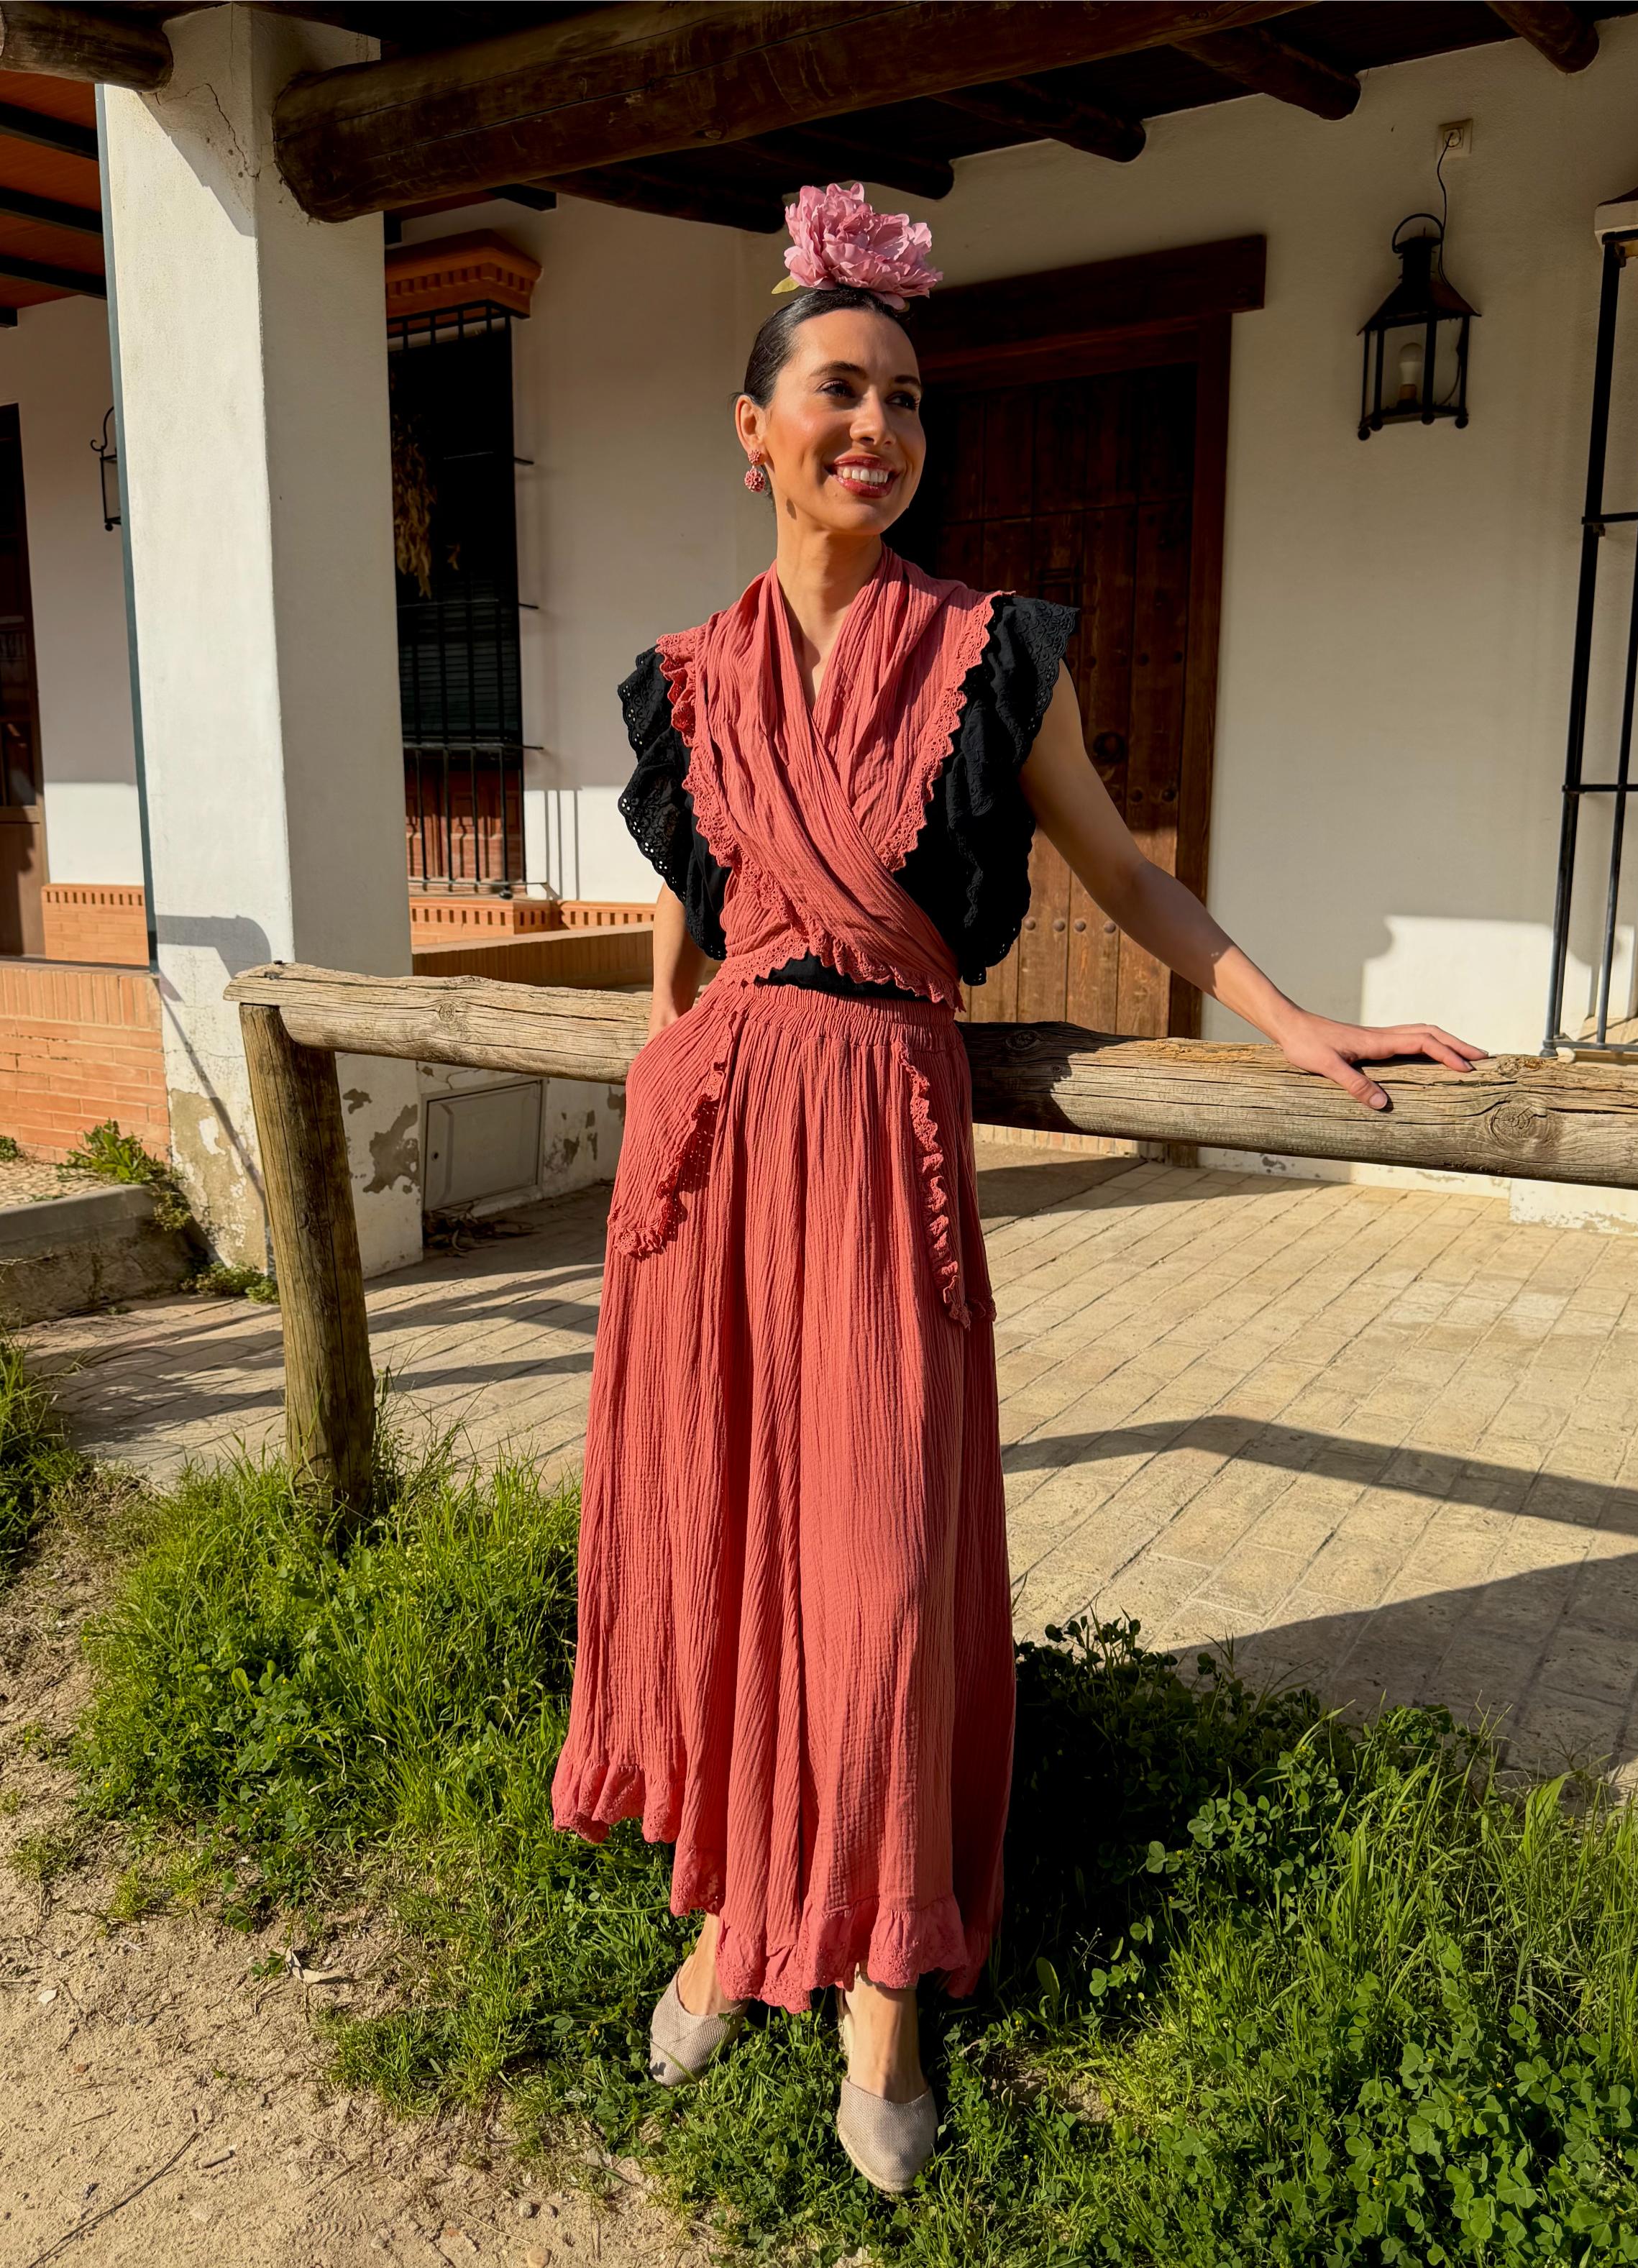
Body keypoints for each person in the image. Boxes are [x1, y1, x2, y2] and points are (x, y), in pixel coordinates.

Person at [551, 183, 1484, 2195]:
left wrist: (1298, 1024)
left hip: (885, 1134)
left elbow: (1127, 875)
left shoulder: (988, 659)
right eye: (834, 390)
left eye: (901, 398)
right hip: (715, 1153)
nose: (874, 425)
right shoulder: (682, 680)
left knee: (877, 1568)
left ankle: (884, 1969)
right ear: (754, 427)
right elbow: (685, 929)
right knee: (727, 1537)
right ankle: (736, 1904)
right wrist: (660, 1096)